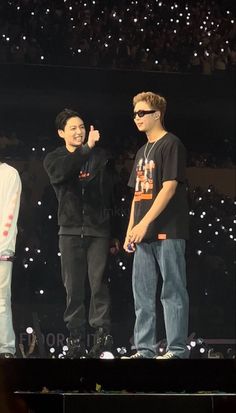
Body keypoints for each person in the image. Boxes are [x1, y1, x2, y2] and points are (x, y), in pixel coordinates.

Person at [44, 108, 117, 358]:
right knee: (73, 286)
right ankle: (75, 339)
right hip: (70, 230)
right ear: (61, 133)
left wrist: (115, 232)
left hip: (99, 229)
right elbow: (62, 174)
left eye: (82, 127)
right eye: (73, 128)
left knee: (99, 285)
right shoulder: (55, 158)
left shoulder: (101, 157)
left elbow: (111, 195)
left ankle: (102, 337)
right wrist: (85, 149)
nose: (79, 131)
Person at [123, 91, 189, 359]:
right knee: (143, 294)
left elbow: (169, 188)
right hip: (143, 234)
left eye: (142, 113)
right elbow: (137, 194)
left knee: (172, 290)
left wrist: (144, 223)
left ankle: (176, 349)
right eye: (135, 113)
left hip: (169, 230)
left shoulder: (172, 144)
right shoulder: (141, 151)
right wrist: (131, 228)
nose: (137, 117)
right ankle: (145, 349)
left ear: (157, 114)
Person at [0, 161, 21, 358]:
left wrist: (3, 245)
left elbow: (10, 213)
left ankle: (5, 349)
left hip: (1, 249)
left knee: (1, 300)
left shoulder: (9, 174)